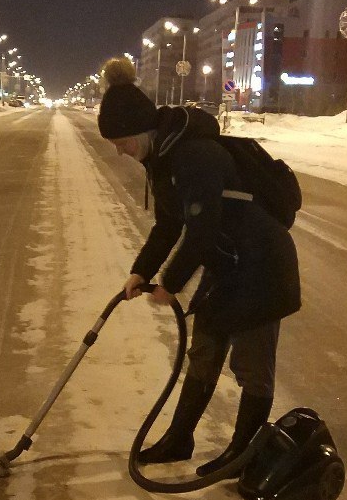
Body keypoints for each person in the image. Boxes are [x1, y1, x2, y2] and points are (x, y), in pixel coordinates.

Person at [97, 57, 301, 475]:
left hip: (262, 267)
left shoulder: (196, 155)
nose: (119, 150)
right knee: (204, 351)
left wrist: (170, 284)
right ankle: (179, 440)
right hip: (228, 264)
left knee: (252, 365)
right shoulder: (163, 159)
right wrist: (141, 271)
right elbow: (170, 223)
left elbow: (202, 227)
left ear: (142, 131)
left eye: (121, 140)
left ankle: (242, 454)